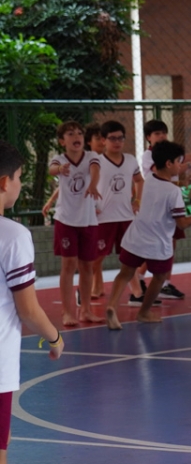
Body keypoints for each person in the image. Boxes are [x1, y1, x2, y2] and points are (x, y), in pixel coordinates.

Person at [0, 140, 65, 464]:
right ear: (3, 182)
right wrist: (54, 338)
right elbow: (28, 310)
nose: (20, 184)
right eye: (19, 177)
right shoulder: (13, 235)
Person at [104, 141, 191, 331]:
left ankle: (111, 306)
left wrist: (184, 185)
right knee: (160, 276)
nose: (181, 165)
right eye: (179, 162)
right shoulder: (173, 192)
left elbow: (163, 191)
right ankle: (144, 312)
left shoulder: (149, 179)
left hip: (135, 236)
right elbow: (182, 223)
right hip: (157, 243)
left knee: (125, 273)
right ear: (169, 163)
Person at [137, 120, 191, 300]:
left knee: (170, 243)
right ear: (148, 138)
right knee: (156, 243)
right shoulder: (149, 156)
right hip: (157, 204)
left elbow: (182, 162)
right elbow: (166, 171)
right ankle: (139, 277)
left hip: (171, 200)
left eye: (164, 133)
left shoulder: (171, 155)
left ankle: (164, 283)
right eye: (157, 133)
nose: (161, 136)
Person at [49, 121, 102, 326]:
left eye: (79, 133)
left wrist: (93, 185)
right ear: (62, 141)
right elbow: (52, 169)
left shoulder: (91, 156)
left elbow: (95, 169)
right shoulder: (60, 159)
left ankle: (86, 310)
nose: (76, 136)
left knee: (87, 265)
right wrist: (60, 169)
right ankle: (67, 312)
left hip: (88, 220)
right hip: (66, 220)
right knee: (69, 264)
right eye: (70, 134)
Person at [91, 121, 146, 303]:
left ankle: (137, 293)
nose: (117, 142)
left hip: (126, 217)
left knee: (129, 257)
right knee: (96, 258)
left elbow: (139, 180)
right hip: (103, 218)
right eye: (112, 138)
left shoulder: (130, 160)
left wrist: (137, 200)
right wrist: (91, 206)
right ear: (103, 140)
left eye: (120, 138)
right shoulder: (96, 162)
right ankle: (89, 288)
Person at [41, 122, 104, 220]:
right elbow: (67, 184)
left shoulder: (100, 160)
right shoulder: (79, 160)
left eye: (104, 138)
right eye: (98, 138)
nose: (102, 142)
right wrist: (51, 200)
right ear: (88, 141)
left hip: (98, 211)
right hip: (80, 213)